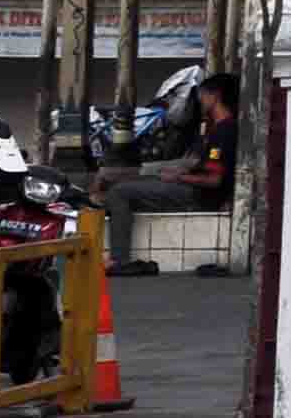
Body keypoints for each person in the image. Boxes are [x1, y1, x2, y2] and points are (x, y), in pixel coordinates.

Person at [100, 71, 236, 272]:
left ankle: (119, 261)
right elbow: (202, 166)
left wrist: (178, 176)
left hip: (199, 195)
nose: (200, 101)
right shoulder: (217, 128)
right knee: (130, 184)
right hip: (192, 188)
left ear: (215, 95)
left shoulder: (225, 130)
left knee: (119, 193)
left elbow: (214, 180)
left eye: (203, 95)